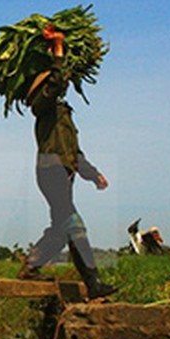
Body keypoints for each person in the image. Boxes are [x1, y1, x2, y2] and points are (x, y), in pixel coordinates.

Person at [16, 25, 117, 298]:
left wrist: (93, 174)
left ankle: (31, 265)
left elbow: (74, 151)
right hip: (51, 172)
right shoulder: (42, 106)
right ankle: (93, 283)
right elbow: (56, 82)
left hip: (62, 172)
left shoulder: (60, 113)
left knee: (61, 229)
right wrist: (58, 51)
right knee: (74, 224)